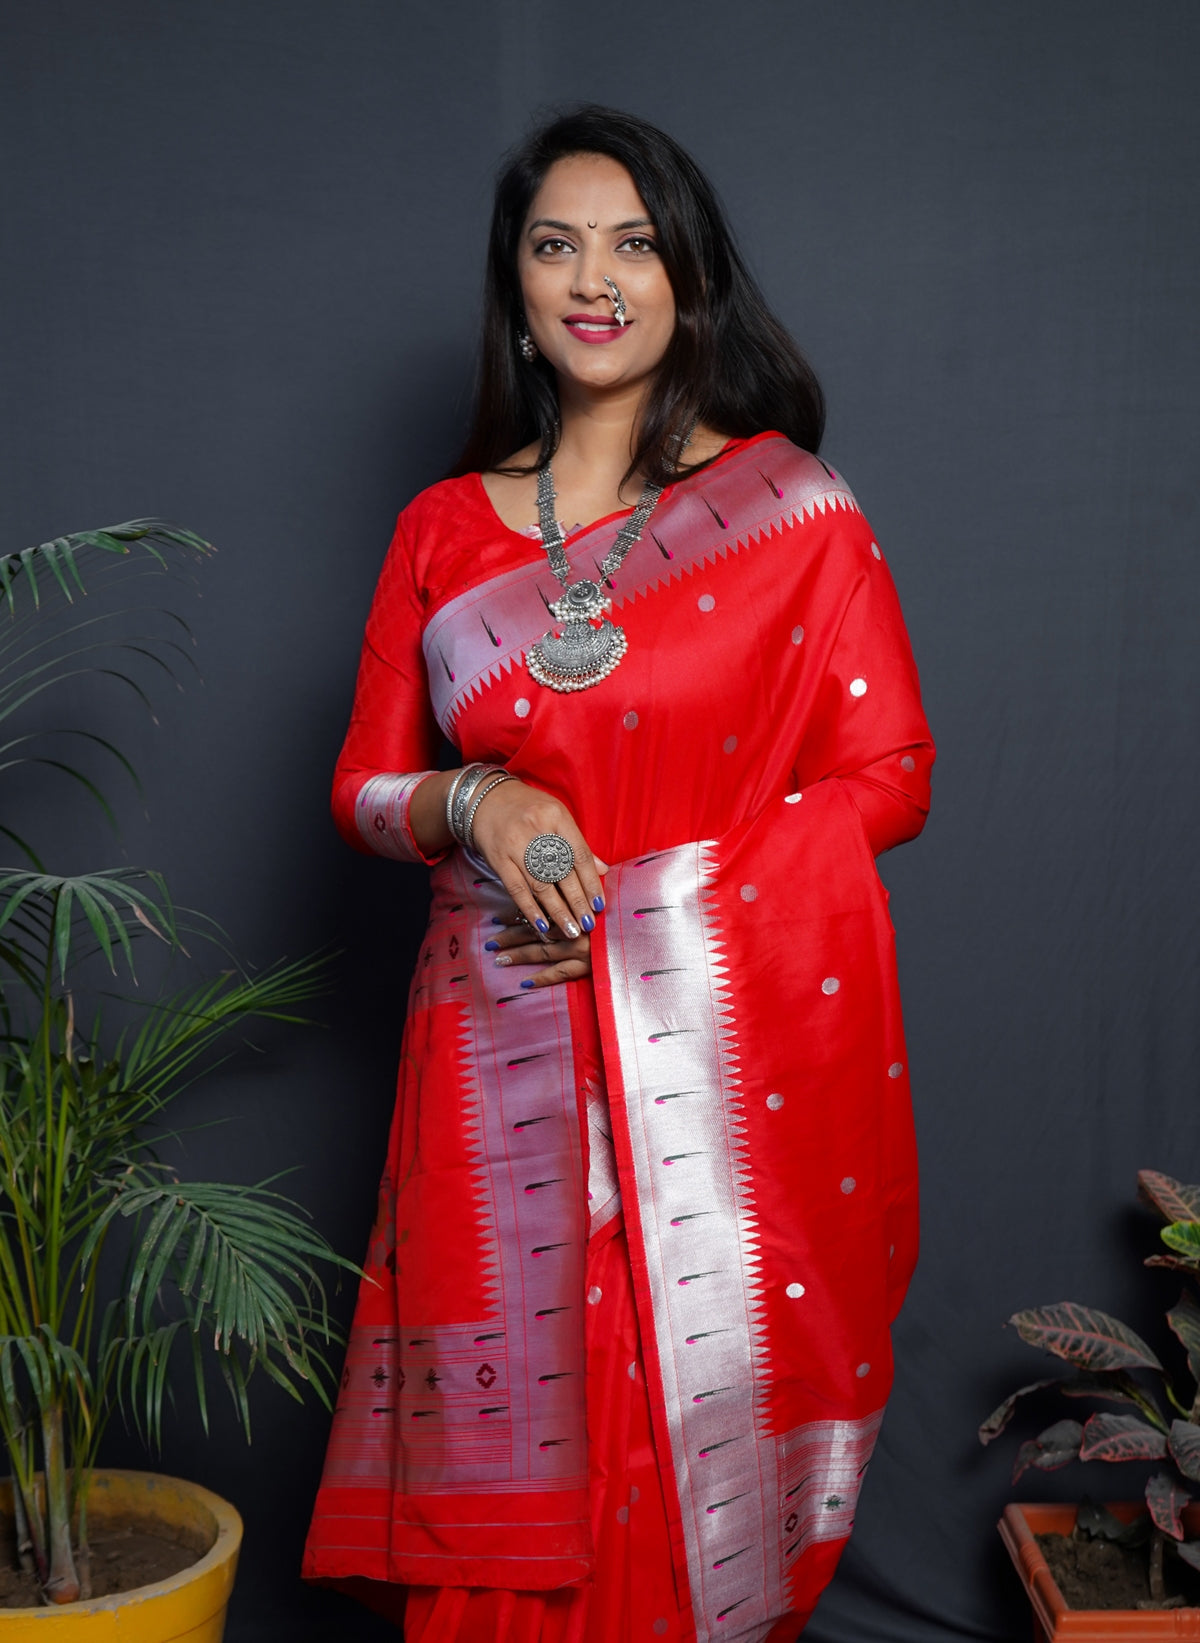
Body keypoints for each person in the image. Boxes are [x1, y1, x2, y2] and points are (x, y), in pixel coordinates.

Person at [303, 105, 934, 1643]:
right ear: (512, 282)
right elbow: (361, 790)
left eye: (633, 243)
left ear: (687, 278)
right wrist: (478, 802)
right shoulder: (444, 535)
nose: (594, 281)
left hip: (709, 1076)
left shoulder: (790, 512)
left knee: (671, 1446)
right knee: (503, 1506)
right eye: (554, 244)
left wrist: (662, 917)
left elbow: (889, 777)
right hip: (490, 1067)